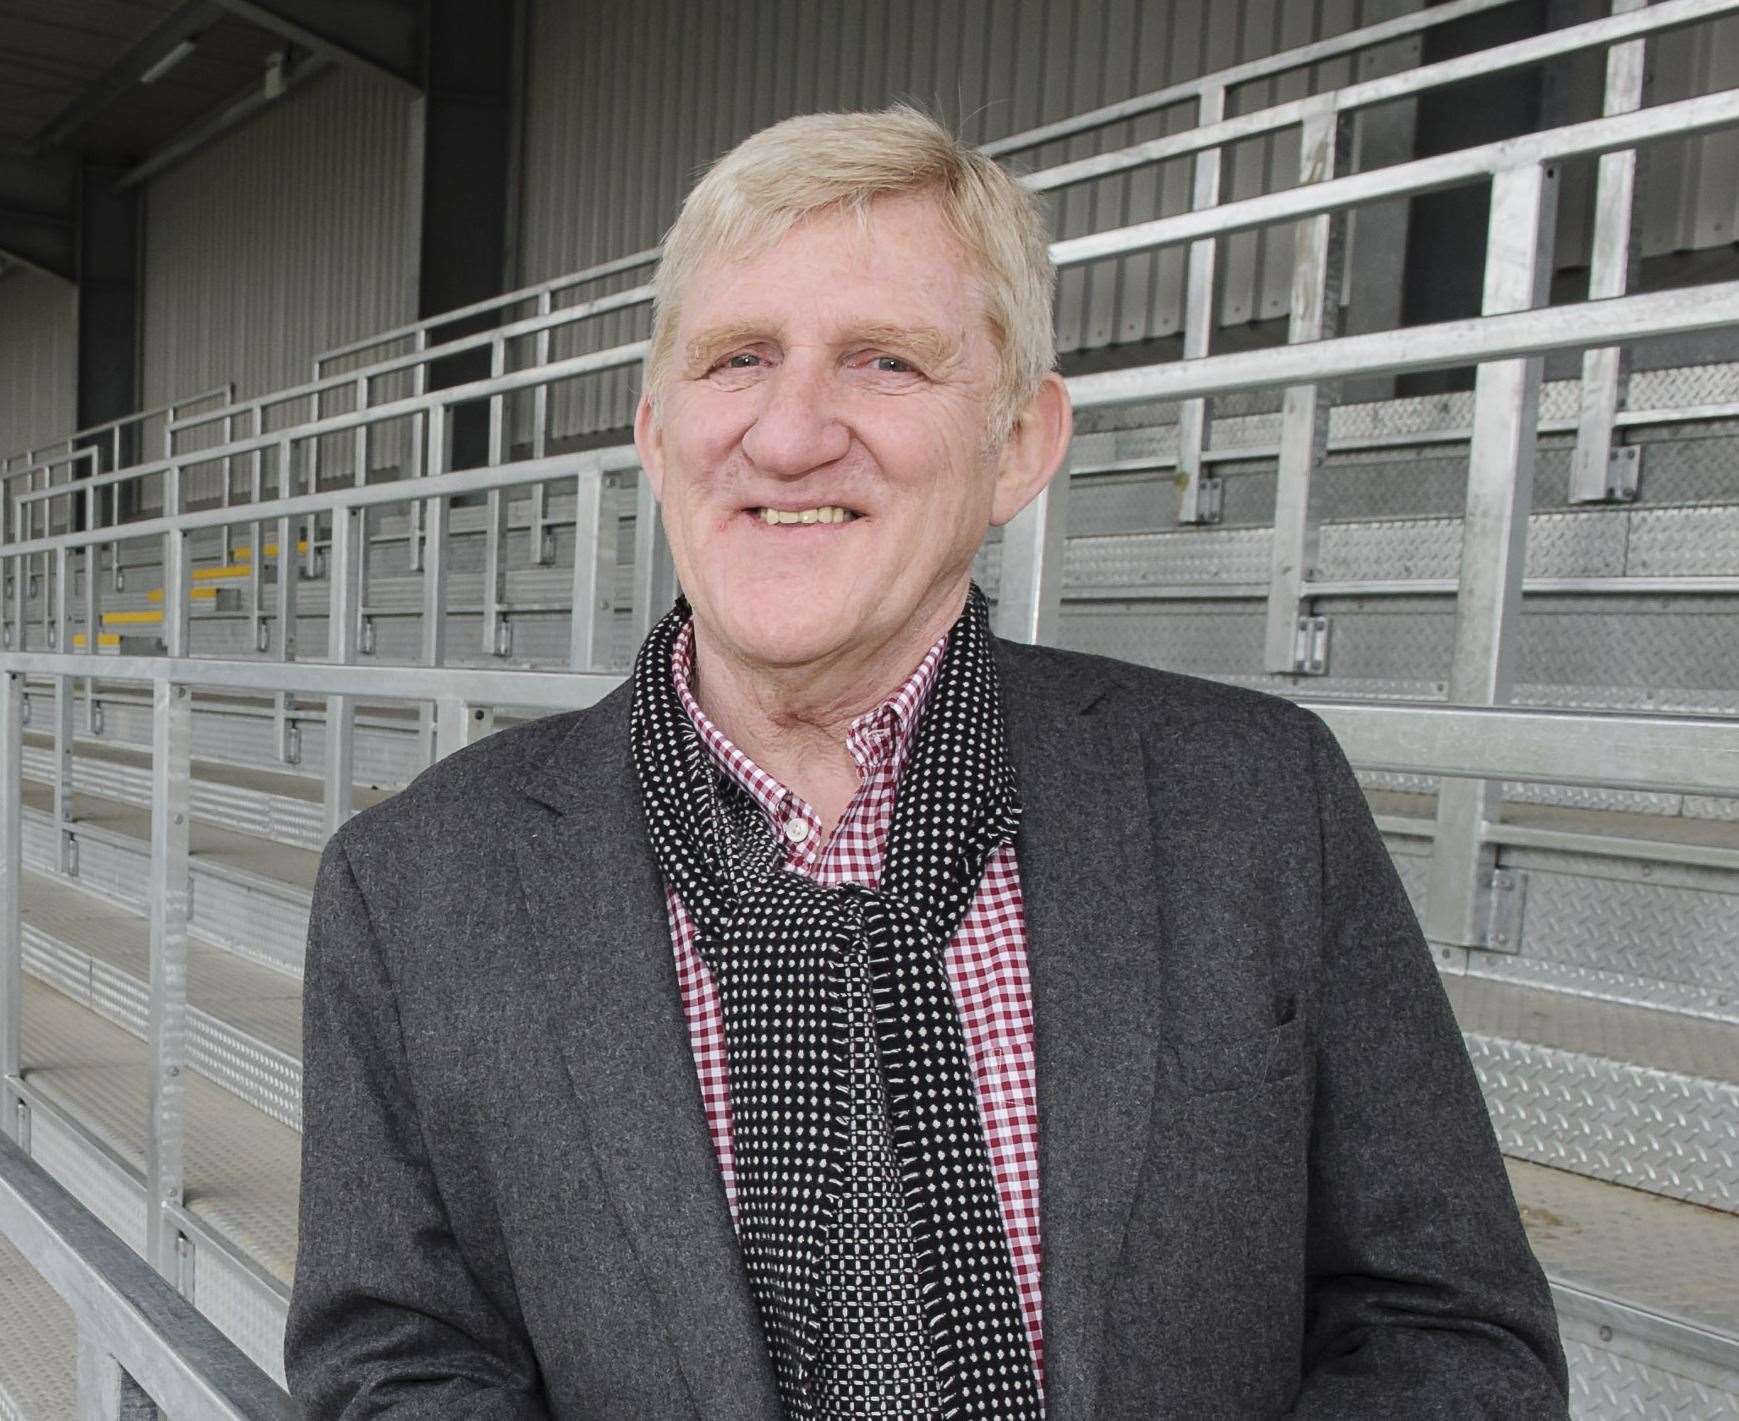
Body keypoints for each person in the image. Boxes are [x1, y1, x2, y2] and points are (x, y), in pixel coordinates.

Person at [285, 106, 1569, 1420]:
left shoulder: (1254, 802)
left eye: (884, 362)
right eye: (737, 359)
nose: (788, 435)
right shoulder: (415, 888)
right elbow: (395, 1362)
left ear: (1018, 443)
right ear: (657, 431)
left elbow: (1446, 1326)